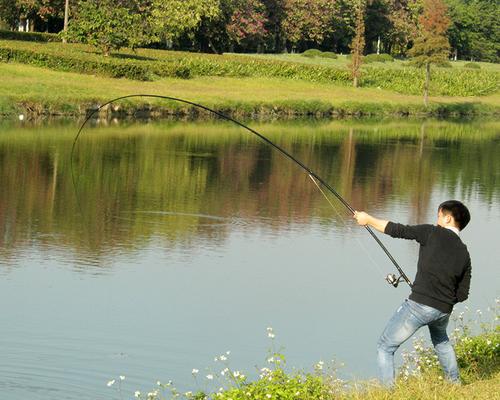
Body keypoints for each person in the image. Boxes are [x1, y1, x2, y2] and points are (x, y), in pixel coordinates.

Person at [353, 200, 471, 386]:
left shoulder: (431, 232)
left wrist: (367, 219)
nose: (437, 219)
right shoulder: (464, 253)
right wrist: (442, 299)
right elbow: (463, 293)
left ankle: (387, 395)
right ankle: (455, 385)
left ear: (447, 218)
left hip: (419, 306)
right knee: (441, 341)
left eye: (439, 215)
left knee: (385, 347)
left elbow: (397, 230)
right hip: (443, 310)